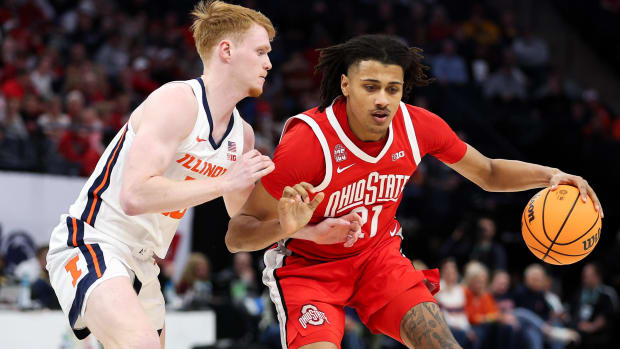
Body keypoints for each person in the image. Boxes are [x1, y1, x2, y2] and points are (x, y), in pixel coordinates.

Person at [225, 34, 603, 349]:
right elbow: (237, 234)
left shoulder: (417, 125)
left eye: (393, 89)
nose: (383, 100)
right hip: (310, 270)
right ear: (345, 85)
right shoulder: (309, 143)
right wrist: (285, 226)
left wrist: (552, 175)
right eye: (370, 87)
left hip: (377, 259)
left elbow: (487, 171)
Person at [45, 1, 275, 348]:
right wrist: (225, 182)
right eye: (260, 51)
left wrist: (300, 224)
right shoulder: (178, 101)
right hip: (93, 241)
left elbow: (240, 229)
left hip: (144, 263)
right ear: (226, 50)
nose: (268, 63)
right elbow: (135, 195)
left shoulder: (241, 136)